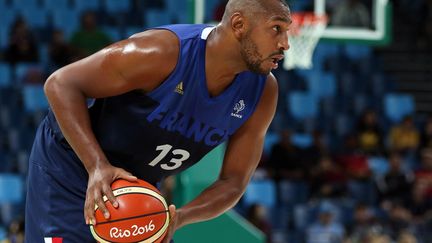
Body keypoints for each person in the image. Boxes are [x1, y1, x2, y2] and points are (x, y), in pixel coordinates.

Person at [24, 0, 291, 242]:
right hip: (72, 167)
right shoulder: (161, 52)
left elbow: (233, 181)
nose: (286, 43)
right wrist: (96, 165)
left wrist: (181, 217)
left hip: (138, 186)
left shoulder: (263, 92)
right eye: (276, 29)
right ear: (239, 25)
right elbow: (61, 84)